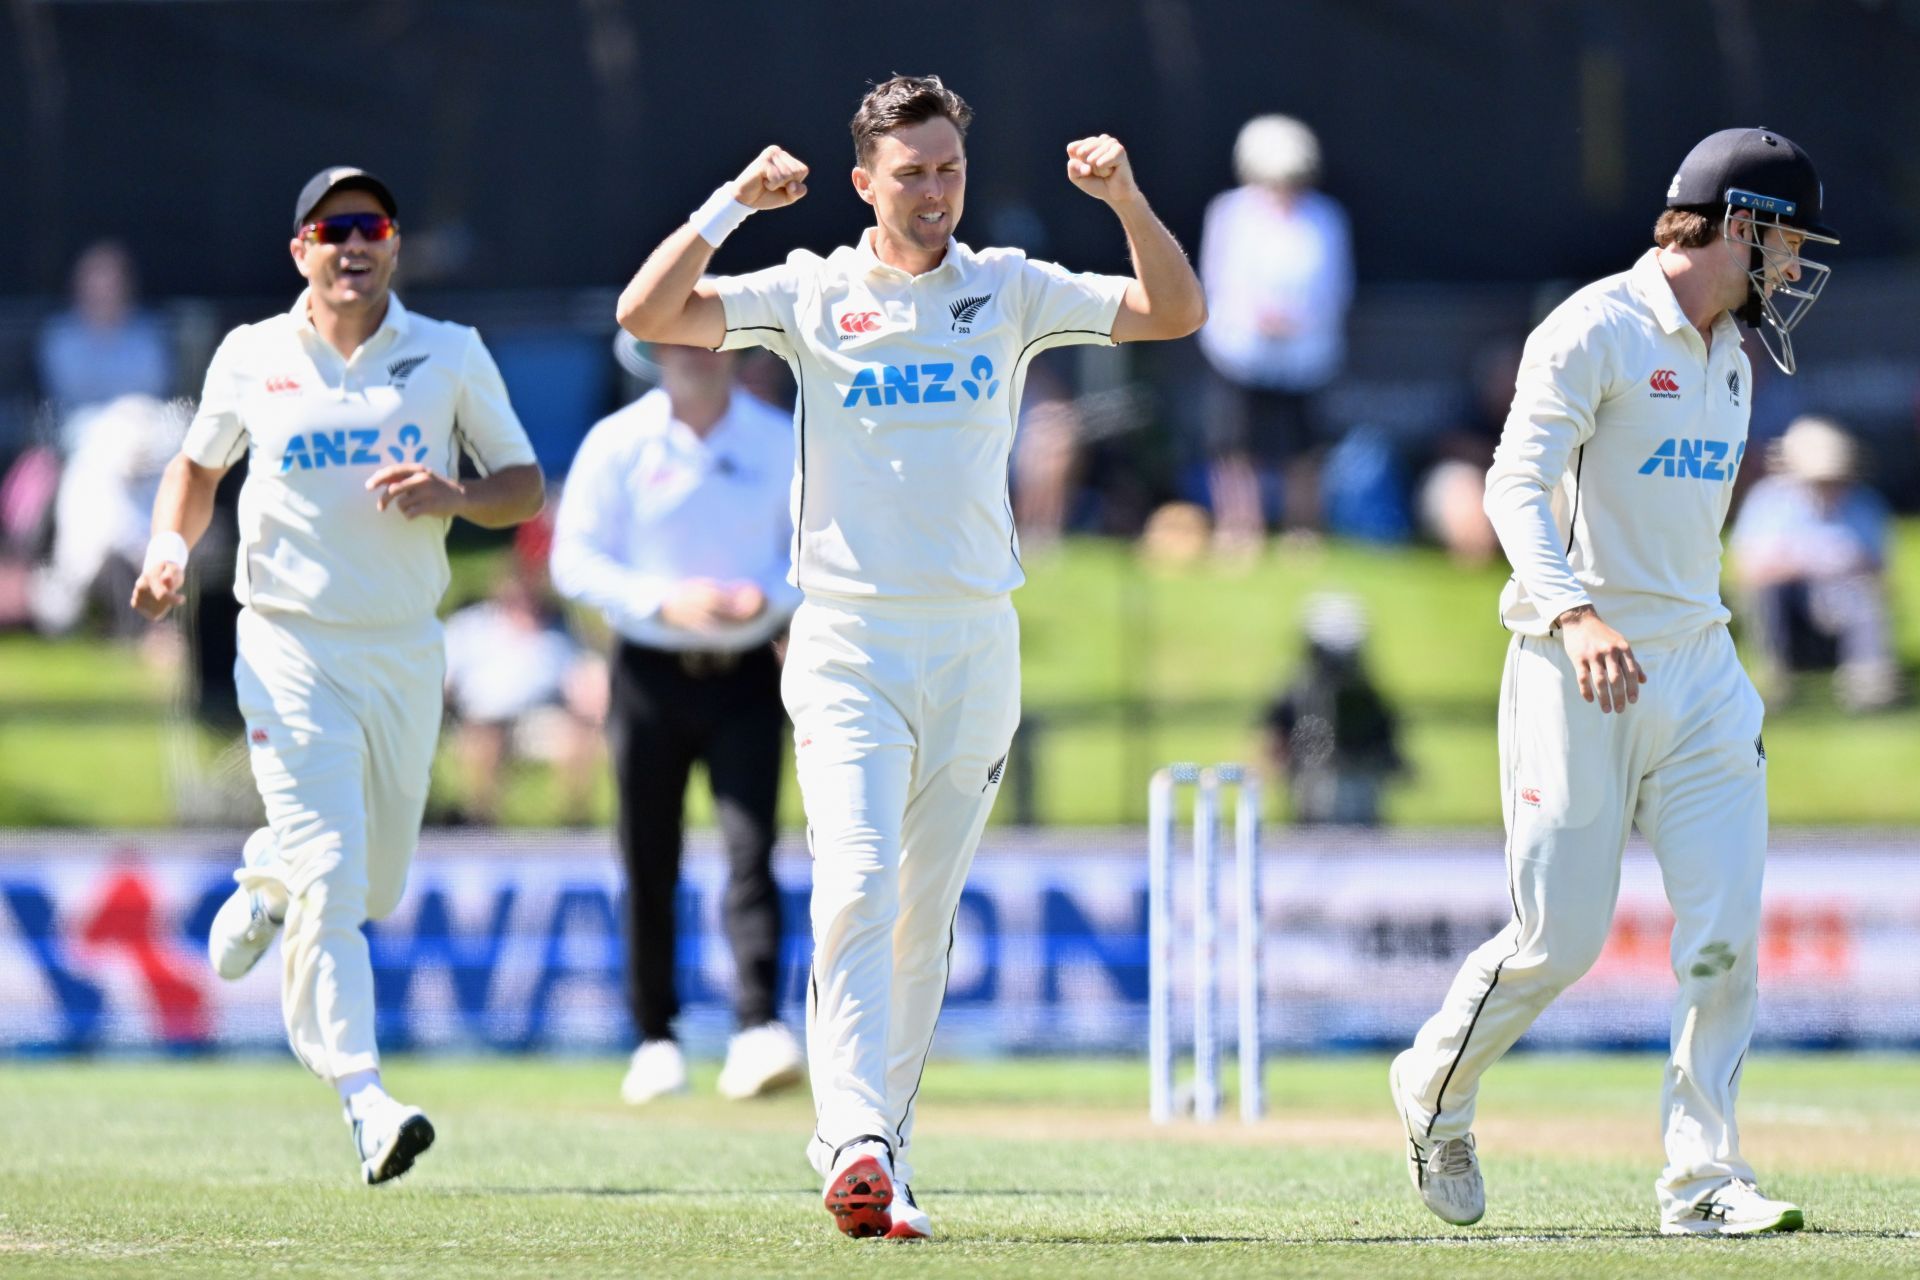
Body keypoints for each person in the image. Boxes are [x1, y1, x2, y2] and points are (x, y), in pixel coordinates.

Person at [613, 74, 1204, 1240]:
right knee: (859, 877)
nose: (934, 192)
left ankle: (883, 1146)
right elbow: (647, 313)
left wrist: (1129, 198)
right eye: (912, 173)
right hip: (846, 637)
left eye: (949, 169)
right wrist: (734, 201)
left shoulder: (1011, 288)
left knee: (921, 912)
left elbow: (1174, 311)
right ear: (863, 182)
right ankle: (857, 1138)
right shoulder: (810, 288)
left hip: (977, 638)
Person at [1387, 128, 1838, 1237]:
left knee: (1725, 930)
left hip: (1700, 670)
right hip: (1573, 667)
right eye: (1786, 240)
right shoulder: (1594, 327)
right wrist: (1574, 609)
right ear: (1741, 222)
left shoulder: (1733, 352)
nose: (1792, 266)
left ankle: (1703, 1178)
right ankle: (1433, 1087)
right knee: (1560, 939)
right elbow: (1511, 483)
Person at [129, 166, 544, 1185]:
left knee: (377, 883)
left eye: (371, 226)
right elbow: (195, 470)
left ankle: (267, 871)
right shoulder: (253, 355)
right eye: (332, 229)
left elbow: (524, 485)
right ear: (300, 251)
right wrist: (167, 548)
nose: (352, 244)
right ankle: (366, 1096)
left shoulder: (448, 355)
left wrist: (453, 491)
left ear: (394, 245)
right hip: (288, 645)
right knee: (335, 881)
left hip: (404, 648)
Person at [549, 340, 806, 1107]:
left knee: (751, 850)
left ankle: (757, 1027)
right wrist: (664, 601)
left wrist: (765, 597)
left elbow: (814, 549)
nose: (692, 354)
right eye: (677, 339)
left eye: (708, 337)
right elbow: (575, 560)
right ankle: (655, 1037)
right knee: (647, 856)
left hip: (748, 671)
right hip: (650, 673)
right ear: (654, 351)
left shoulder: (777, 437)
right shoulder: (619, 442)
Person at [1195, 114, 1352, 551]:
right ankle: (1239, 531)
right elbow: (1216, 276)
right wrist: (1253, 314)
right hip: (1239, 349)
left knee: (1303, 447)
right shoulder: (1229, 212)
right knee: (1233, 444)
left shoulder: (1326, 217)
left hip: (1305, 354)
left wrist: (1300, 318)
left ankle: (1303, 531)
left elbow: (1336, 284)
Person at [1730, 415, 1901, 711]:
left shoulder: (1863, 504)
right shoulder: (1767, 503)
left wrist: (1849, 563)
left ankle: (1870, 685)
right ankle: (1776, 680)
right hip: (1787, 607)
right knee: (1767, 594)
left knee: (1863, 595)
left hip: (1840, 604)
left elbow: (1882, 573)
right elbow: (1747, 572)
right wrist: (1804, 561)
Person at [442, 561, 603, 826]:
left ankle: (574, 820)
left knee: (576, 734)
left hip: (544, 717)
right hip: (482, 718)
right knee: (483, 737)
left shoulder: (559, 630)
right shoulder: (470, 627)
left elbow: (582, 679)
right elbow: (444, 680)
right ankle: (478, 818)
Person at [1260, 594, 1405, 825]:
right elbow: (1271, 751)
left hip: (1363, 818)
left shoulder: (1368, 701)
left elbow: (1393, 757)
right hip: (1311, 817)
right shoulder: (1295, 696)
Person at [37, 240, 175, 431]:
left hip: (142, 426)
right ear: (79, 284)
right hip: (79, 426)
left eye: (112, 279)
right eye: (96, 277)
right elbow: (69, 388)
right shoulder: (60, 335)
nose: (104, 288)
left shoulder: (148, 332)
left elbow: (154, 383)